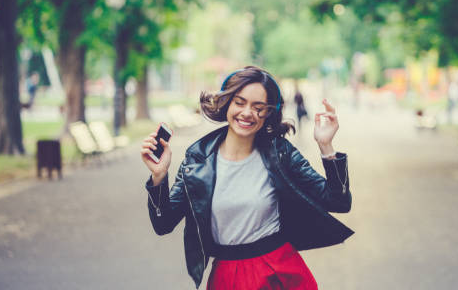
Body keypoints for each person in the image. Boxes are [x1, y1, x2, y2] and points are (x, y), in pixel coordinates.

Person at [141, 66, 353, 289]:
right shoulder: (197, 161)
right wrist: (158, 176)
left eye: (258, 107)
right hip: (227, 274)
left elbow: (338, 201)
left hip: (279, 271)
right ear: (227, 103)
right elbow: (163, 223)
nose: (247, 113)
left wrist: (326, 146)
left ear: (269, 113)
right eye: (239, 102)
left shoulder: (280, 153)